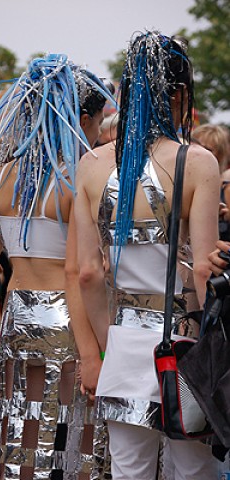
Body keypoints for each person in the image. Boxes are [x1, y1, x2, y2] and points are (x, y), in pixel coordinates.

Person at [0, 54, 115, 479]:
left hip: (16, 316)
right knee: (78, 434)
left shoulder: (2, 177)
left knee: (20, 434)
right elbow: (86, 268)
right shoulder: (82, 175)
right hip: (70, 319)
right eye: (98, 123)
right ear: (80, 119)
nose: (98, 134)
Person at [73, 31, 220, 479]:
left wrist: (104, 348)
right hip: (185, 346)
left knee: (129, 468)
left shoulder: (92, 165)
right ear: (178, 94)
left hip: (123, 343)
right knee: (193, 468)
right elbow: (202, 270)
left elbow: (86, 275)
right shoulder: (197, 163)